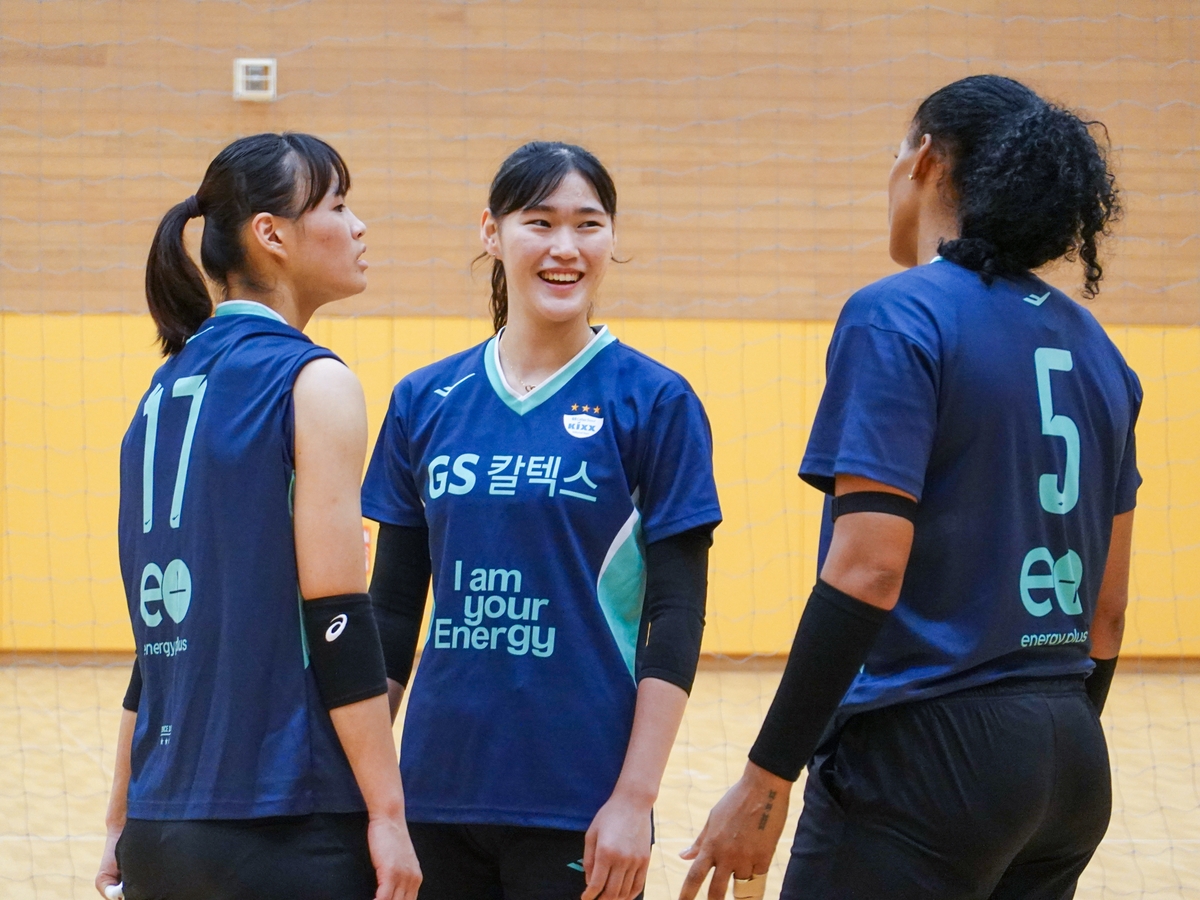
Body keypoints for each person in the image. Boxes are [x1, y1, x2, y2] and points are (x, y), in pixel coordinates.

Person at [680, 75, 1138, 900]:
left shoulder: (899, 314)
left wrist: (765, 777)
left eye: (896, 150)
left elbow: (868, 569)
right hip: (1071, 756)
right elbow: (1106, 613)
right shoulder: (1100, 350)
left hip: (926, 754)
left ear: (925, 160)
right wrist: (1034, 757)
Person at [361, 141, 722, 900]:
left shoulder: (655, 402)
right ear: (491, 234)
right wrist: (368, 793)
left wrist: (635, 799)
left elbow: (676, 616)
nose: (565, 248)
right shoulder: (425, 401)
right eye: (540, 222)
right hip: (435, 789)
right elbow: (392, 610)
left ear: (612, 239)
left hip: (580, 799)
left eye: (588, 224)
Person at [94, 132, 422, 900]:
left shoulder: (157, 396)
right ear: (270, 235)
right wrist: (388, 810)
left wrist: (121, 816)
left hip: (161, 829)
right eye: (338, 205)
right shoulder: (313, 381)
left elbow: (157, 645)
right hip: (287, 824)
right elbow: (338, 615)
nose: (359, 225)